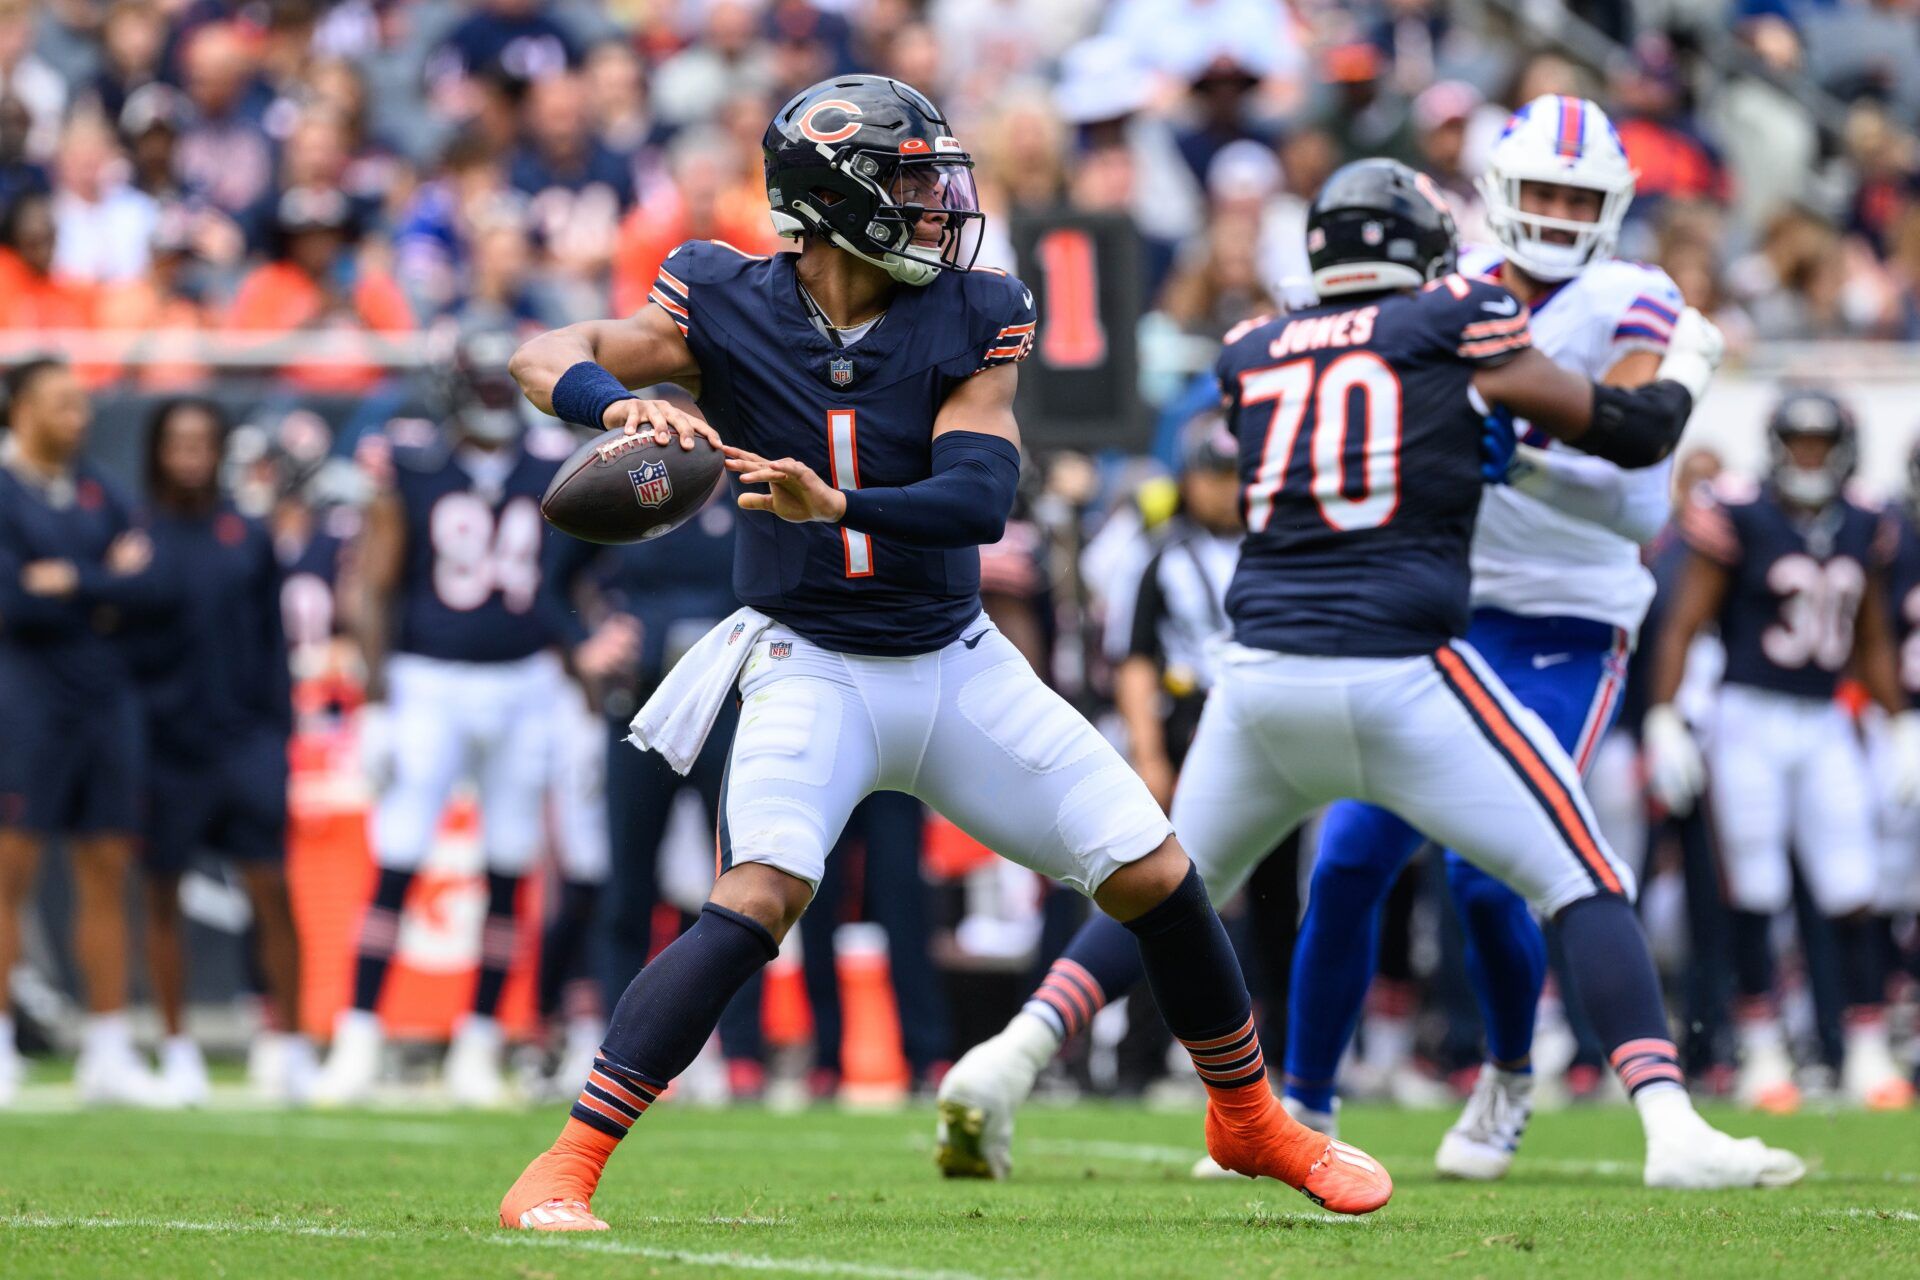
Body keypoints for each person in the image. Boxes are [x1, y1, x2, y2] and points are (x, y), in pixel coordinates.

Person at [497, 74, 1394, 1232]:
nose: (938, 205)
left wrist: (843, 502)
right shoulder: (717, 295)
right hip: (806, 655)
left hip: (950, 656)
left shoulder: (976, 307)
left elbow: (980, 489)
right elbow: (544, 348)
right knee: (757, 895)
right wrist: (615, 405)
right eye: (912, 182)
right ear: (834, 198)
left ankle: (1250, 1119)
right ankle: (563, 1164)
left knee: (1157, 875)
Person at [934, 157, 1803, 1192]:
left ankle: (1010, 1056)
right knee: (1583, 875)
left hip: (1258, 678)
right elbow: (1629, 429)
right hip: (1399, 664)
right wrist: (1686, 367)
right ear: (1424, 255)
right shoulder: (1453, 318)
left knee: (1166, 885)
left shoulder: (1249, 348)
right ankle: (1669, 1121)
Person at [1280, 93, 1689, 1180]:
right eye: (1540, 191)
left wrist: (1529, 454)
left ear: (1612, 207)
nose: (1555, 213)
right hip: (1435, 612)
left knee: (1485, 869)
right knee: (1350, 856)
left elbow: (1637, 482)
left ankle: (1509, 1075)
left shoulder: (1638, 297)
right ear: (1498, 194)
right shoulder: (1444, 294)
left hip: (1566, 614)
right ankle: (1301, 1106)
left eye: (1576, 196)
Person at [313, 328, 577, 1106]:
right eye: (484, 381)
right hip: (428, 679)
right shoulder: (412, 464)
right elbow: (373, 583)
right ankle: (359, 1034)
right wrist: (375, 700)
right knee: (398, 856)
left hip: (526, 680)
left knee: (509, 863)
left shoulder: (551, 465)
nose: (497, 395)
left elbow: (581, 576)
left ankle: (479, 1044)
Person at [1643, 389, 1920, 1113]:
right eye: (1797, 441)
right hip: (1747, 716)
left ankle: (1864, 1050)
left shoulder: (1866, 521)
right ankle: (1761, 1049)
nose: (1808, 456)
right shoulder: (1740, 512)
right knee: (1755, 888)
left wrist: (1898, 725)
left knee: (1852, 883)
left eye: (1820, 443)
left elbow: (1871, 639)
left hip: (1825, 716)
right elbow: (1684, 621)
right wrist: (1665, 714)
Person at [0, 357, 174, 1107]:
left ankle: (107, 1046)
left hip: (104, 699)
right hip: (24, 698)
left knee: (106, 864)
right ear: (21, 410)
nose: (79, 415)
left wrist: (68, 579)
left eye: (81, 403)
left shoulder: (103, 489)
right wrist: (98, 581)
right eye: (62, 403)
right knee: (13, 871)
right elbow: (11, 602)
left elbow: (148, 586)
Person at [129, 398, 309, 1106]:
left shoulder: (247, 534)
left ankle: (291, 1047)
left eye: (203, 441)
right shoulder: (135, 533)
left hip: (244, 743)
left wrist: (277, 737)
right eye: (178, 442)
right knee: (161, 893)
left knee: (273, 889)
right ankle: (177, 1051)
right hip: (164, 746)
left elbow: (273, 643)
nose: (191, 454)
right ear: (157, 450)